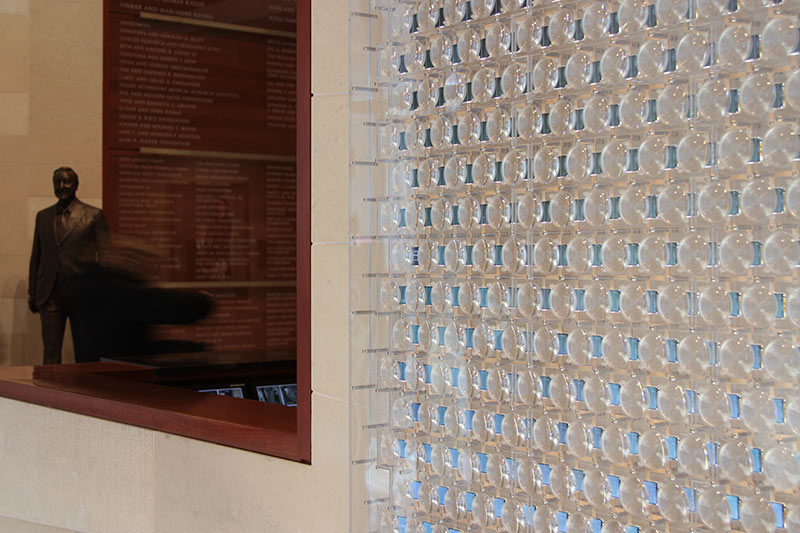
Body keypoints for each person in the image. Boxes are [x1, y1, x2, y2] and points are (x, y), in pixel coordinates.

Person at [57, 234, 213, 363]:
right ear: (131, 259)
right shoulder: (124, 292)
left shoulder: (84, 283)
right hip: (122, 375)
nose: (147, 267)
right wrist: (204, 301)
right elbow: (166, 305)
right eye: (143, 260)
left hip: (96, 369)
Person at [28, 167, 109, 364]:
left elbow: (106, 257)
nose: (62, 186)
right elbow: (36, 256)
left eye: (67, 182)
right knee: (51, 350)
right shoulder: (43, 217)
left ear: (76, 184)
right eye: (58, 182)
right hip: (50, 292)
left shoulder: (93, 215)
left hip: (82, 292)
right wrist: (33, 291)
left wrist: (104, 293)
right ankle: (49, 390)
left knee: (86, 351)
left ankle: (87, 390)